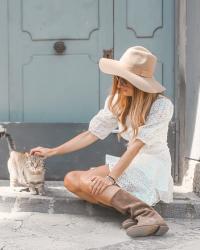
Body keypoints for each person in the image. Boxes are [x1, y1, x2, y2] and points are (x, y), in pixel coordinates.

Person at [30, 46, 174, 237]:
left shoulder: (162, 105)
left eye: (125, 80)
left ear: (139, 83)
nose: (119, 83)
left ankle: (145, 214)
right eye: (118, 77)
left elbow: (136, 146)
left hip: (152, 164)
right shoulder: (118, 100)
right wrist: (53, 151)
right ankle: (135, 212)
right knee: (71, 179)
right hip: (130, 161)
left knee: (95, 183)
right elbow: (91, 134)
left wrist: (111, 178)